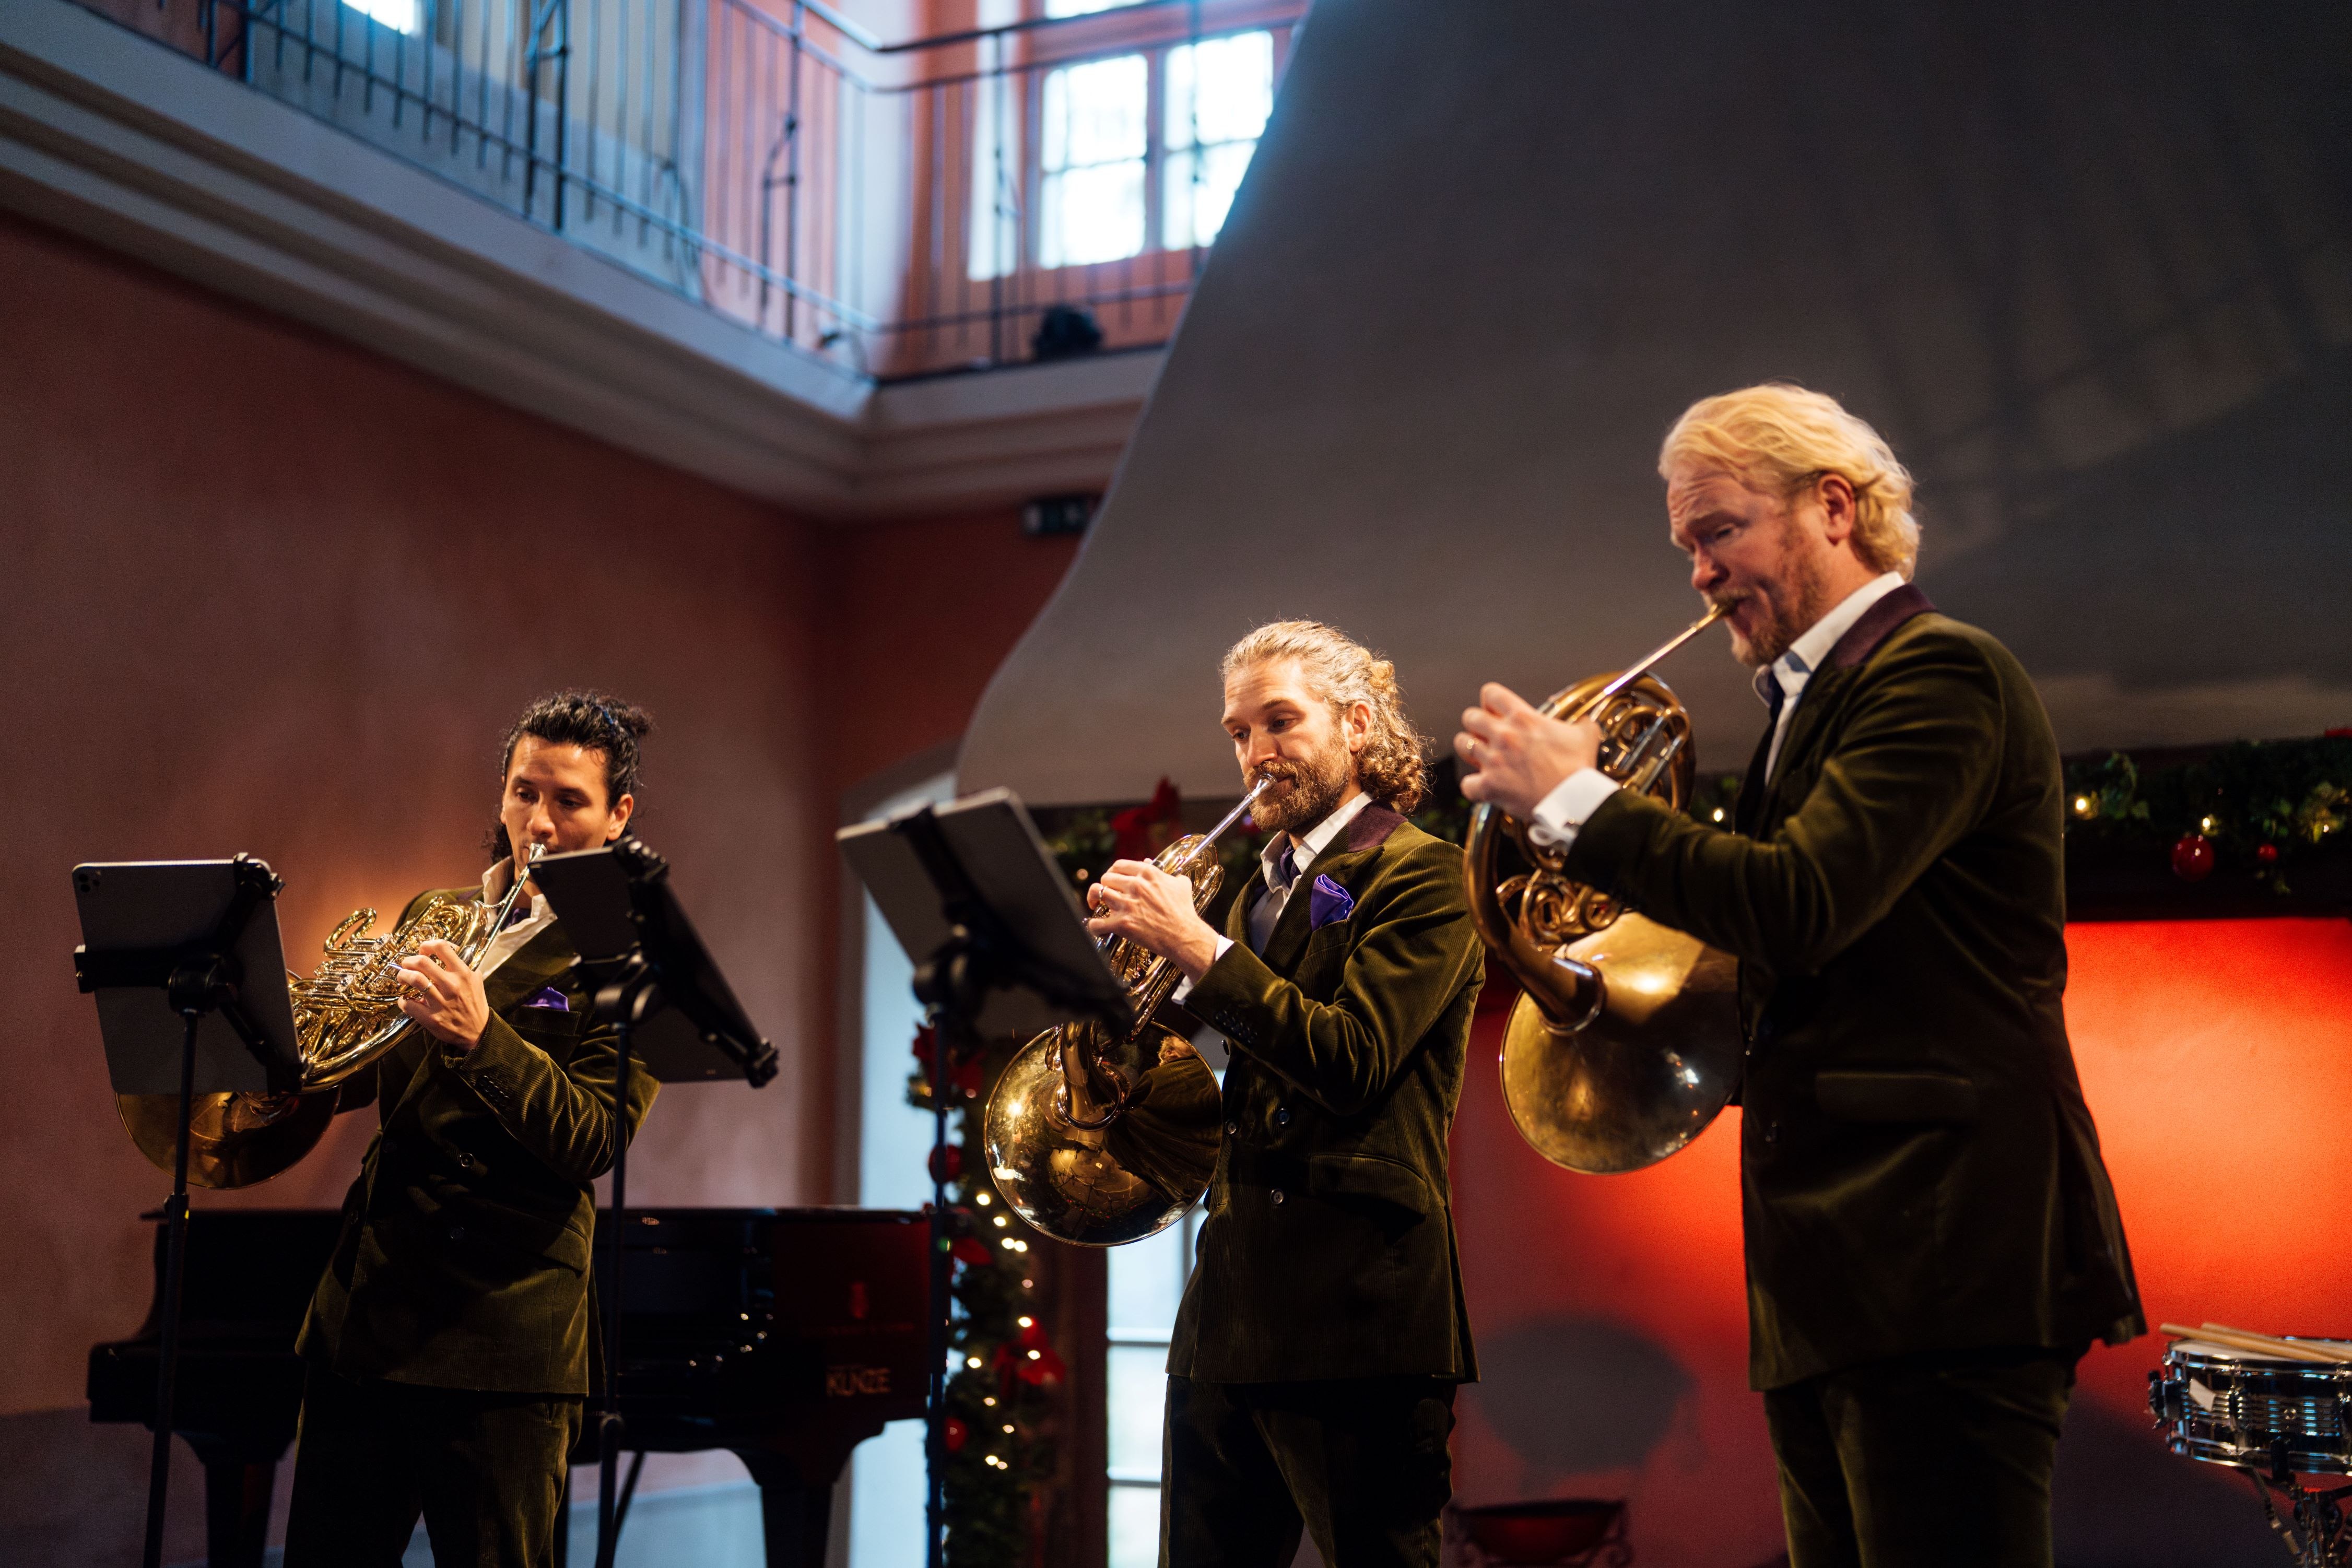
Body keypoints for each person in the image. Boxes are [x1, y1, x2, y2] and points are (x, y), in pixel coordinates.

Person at [1454, 384, 2143, 1568]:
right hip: (1838, 1281)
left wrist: (1578, 802)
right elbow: (1788, 955)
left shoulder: (1941, 673)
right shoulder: (1805, 706)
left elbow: (1800, 900)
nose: (1700, 575)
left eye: (1720, 530)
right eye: (1688, 547)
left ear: (1832, 507)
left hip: (1941, 1267)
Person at [1085, 621, 1484, 1568]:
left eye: (1281, 721)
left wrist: (1199, 948)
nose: (1257, 753)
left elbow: (1352, 1058)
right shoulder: (1250, 891)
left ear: (1357, 724)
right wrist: (1111, 1007)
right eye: (1239, 733)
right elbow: (1209, 1065)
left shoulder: (1427, 873)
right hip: (1227, 1313)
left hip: (1359, 1314)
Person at [283, 692, 663, 1568]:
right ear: (501, 792)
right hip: (368, 1316)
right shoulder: (436, 913)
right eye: (525, 792)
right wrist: (288, 1050)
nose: (540, 822)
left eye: (569, 801)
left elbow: (593, 1138)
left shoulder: (631, 959)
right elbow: (369, 1069)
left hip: (504, 1340)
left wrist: (483, 1037)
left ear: (617, 816)